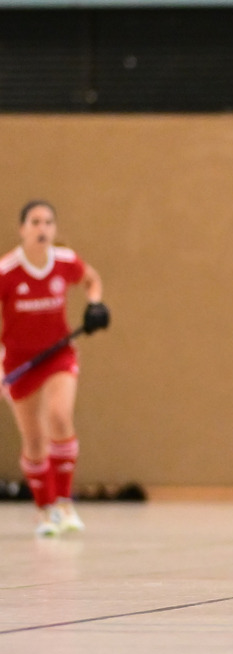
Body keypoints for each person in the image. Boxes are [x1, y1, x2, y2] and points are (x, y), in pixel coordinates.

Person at [0, 200, 110, 537]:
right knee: (34, 440)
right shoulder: (6, 271)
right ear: (22, 229)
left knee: (60, 417)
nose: (42, 228)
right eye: (35, 222)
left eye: (48, 222)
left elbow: (92, 280)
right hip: (19, 362)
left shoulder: (64, 261)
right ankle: (45, 510)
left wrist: (95, 304)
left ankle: (65, 503)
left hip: (58, 355)